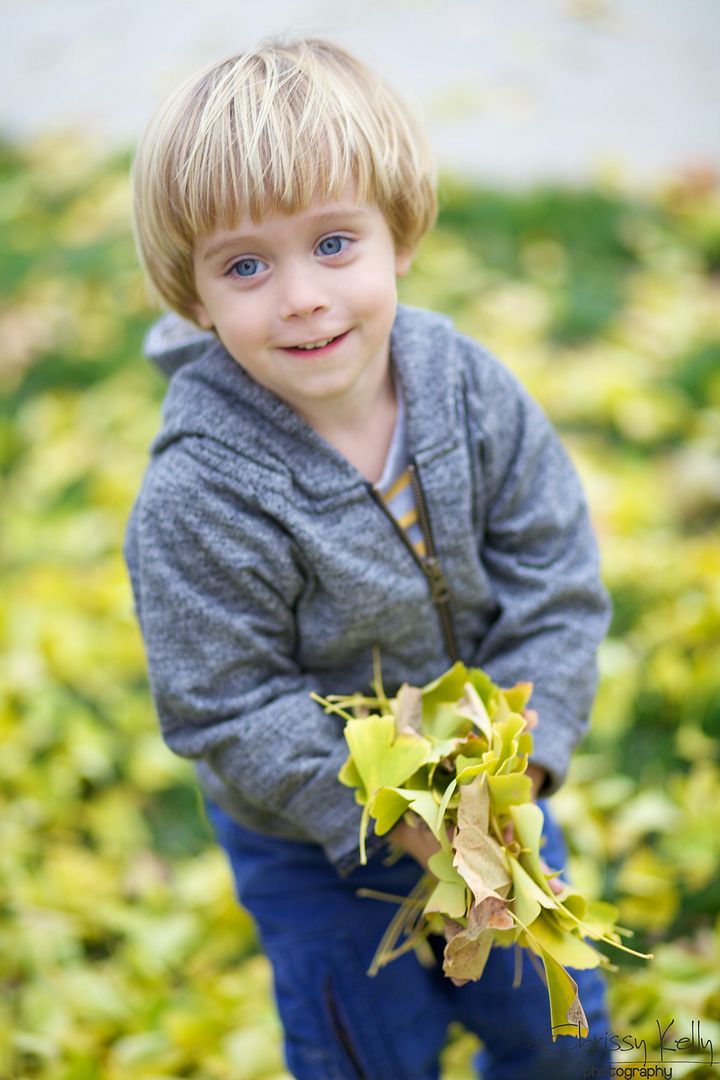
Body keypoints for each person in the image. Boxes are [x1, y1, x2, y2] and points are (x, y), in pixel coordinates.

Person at [125, 36, 613, 1079]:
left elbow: (555, 573)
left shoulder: (469, 391)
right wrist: (396, 822)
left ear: (400, 233)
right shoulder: (200, 493)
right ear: (193, 296)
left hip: (492, 806)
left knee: (564, 1032)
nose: (299, 295)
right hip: (317, 844)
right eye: (245, 264)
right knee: (367, 1052)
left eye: (334, 242)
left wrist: (525, 752)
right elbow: (224, 701)